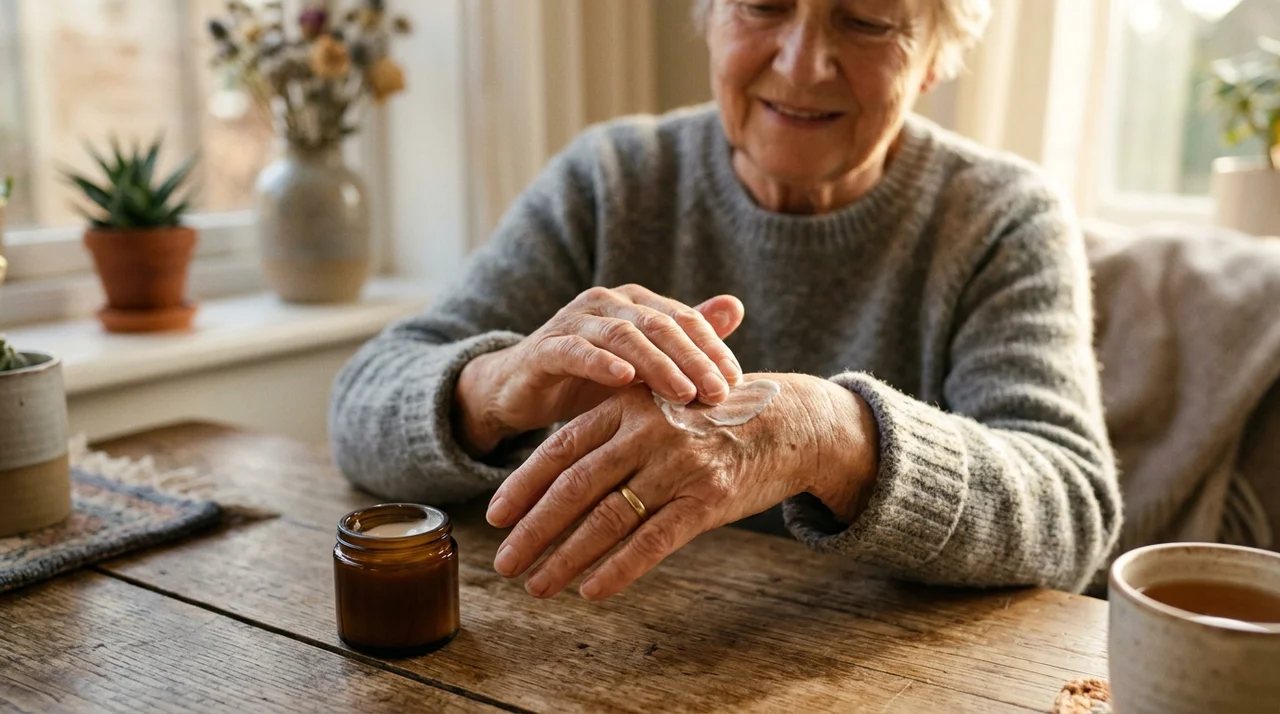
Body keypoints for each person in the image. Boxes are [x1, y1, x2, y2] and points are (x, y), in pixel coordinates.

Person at [329, 0, 1122, 602]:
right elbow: (359, 406)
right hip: (612, 647)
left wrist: (826, 435)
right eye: (764, 4)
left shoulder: (1003, 216)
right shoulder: (611, 180)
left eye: (869, 20)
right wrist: (494, 387)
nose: (805, 61)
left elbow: (1072, 512)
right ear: (709, 18)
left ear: (934, 60)